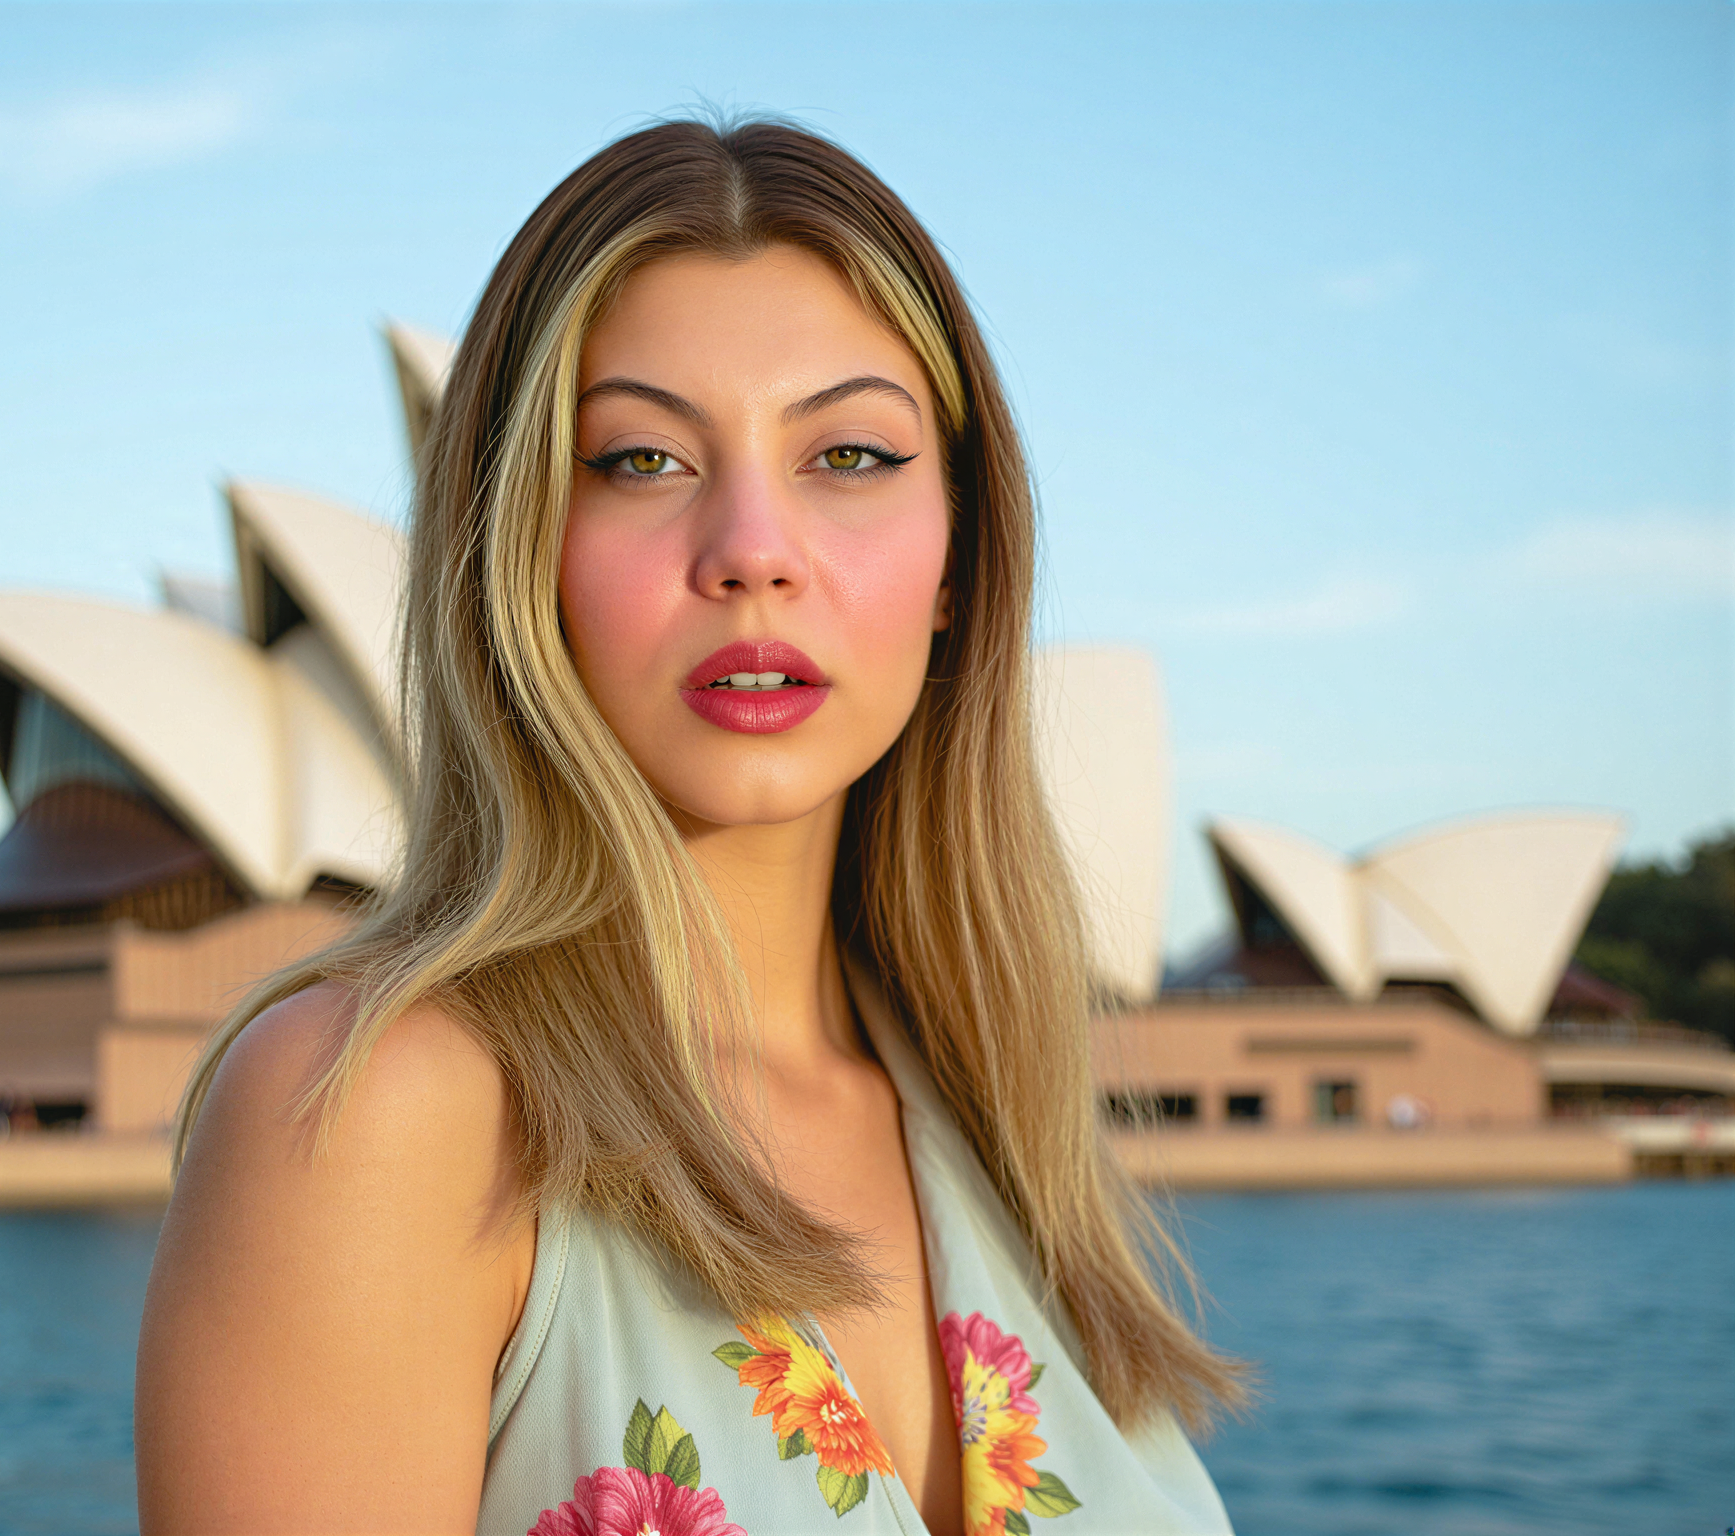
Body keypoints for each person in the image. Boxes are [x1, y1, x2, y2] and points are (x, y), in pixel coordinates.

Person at [135, 117, 1243, 1536]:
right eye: (642, 460)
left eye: (851, 453)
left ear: (961, 559)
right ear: (520, 550)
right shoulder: (384, 1118)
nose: (753, 552)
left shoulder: (989, 1112)